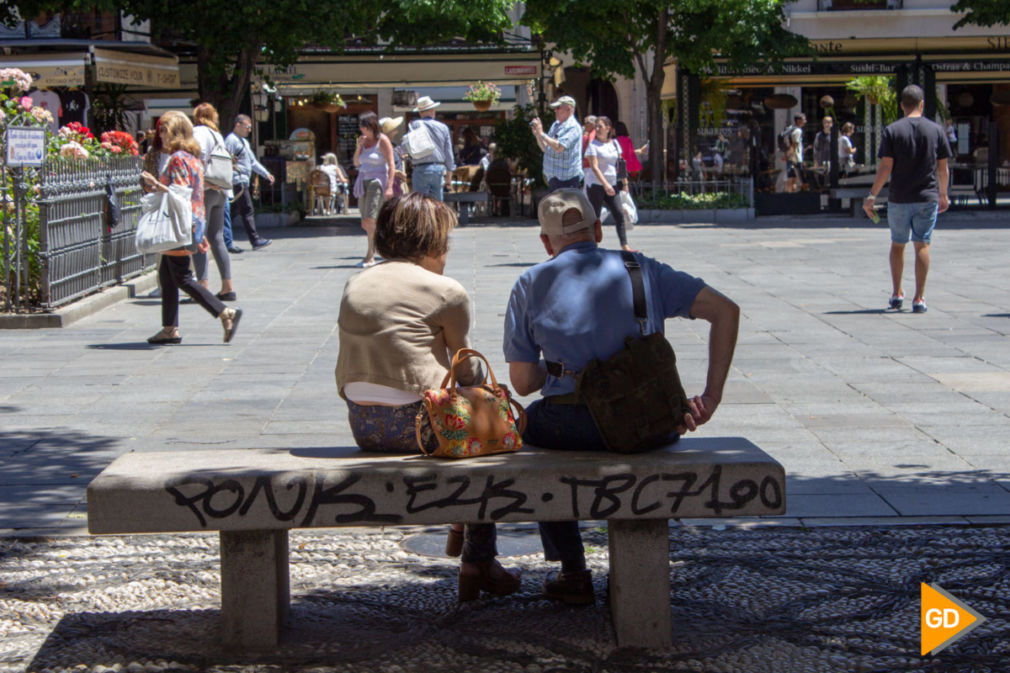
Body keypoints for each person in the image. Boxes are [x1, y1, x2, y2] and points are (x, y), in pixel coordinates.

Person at [502, 189, 739, 605]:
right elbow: (726, 311)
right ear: (598, 229)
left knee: (525, 427)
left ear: (545, 241)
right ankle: (636, 572)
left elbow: (522, 383)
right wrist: (711, 396)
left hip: (569, 428)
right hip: (651, 425)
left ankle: (573, 568)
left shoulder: (530, 282)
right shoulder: (640, 268)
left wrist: (556, 369)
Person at [335, 193, 520, 602]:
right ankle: (478, 561)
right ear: (433, 242)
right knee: (488, 431)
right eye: (447, 240)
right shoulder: (445, 291)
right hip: (420, 429)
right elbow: (467, 370)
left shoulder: (355, 282)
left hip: (363, 425)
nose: (449, 250)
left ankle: (462, 527)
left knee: (465, 420)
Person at [140, 111, 242, 346]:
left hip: (177, 224)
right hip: (190, 222)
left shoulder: (178, 159)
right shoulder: (193, 158)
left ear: (175, 132)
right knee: (167, 276)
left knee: (182, 277)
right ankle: (169, 328)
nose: (161, 136)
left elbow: (181, 193)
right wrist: (199, 229)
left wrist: (156, 185)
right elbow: (197, 196)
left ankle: (225, 312)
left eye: (164, 130)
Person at [863, 84, 950, 314]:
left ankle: (896, 293)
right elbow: (943, 168)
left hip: (899, 197)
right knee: (922, 244)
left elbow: (885, 167)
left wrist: (872, 195)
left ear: (902, 105)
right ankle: (919, 298)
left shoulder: (892, 130)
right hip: (927, 195)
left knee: (898, 244)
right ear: (922, 104)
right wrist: (943, 193)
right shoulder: (936, 130)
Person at [191, 103, 237, 302]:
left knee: (199, 237)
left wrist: (200, 182)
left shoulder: (198, 132)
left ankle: (202, 287)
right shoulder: (217, 134)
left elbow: (199, 156)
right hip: (221, 191)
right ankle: (228, 286)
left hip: (207, 189)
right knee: (217, 237)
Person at [352, 111, 396, 268]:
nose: (362, 130)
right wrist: (358, 147)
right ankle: (385, 246)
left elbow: (391, 164)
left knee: (370, 219)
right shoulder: (363, 142)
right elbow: (357, 162)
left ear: (371, 126)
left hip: (377, 181)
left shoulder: (382, 140)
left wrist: (389, 186)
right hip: (362, 181)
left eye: (364, 127)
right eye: (361, 127)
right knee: (366, 221)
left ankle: (370, 255)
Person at [225, 114, 273, 250]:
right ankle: (255, 239)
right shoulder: (231, 140)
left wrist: (266, 174)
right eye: (247, 127)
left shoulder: (244, 142)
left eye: (250, 127)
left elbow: (252, 162)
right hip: (237, 180)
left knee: (233, 211)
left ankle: (226, 240)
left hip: (243, 180)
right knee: (247, 210)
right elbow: (226, 160)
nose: (249, 130)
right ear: (238, 125)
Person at [584, 116, 631, 251]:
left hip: (612, 184)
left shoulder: (615, 144)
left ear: (608, 128)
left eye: (600, 126)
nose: (597, 129)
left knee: (619, 213)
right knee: (595, 217)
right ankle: (592, 245)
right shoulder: (593, 145)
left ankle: (624, 245)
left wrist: (625, 183)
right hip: (597, 185)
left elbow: (621, 165)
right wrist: (605, 185)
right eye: (596, 127)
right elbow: (594, 167)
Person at [530, 95, 583, 192]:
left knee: (566, 207)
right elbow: (546, 148)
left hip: (567, 180)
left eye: (558, 108)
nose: (555, 110)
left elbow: (559, 147)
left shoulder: (573, 127)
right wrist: (538, 135)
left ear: (569, 109)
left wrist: (542, 133)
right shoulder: (556, 125)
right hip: (554, 179)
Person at [408, 96, 455, 201]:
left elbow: (407, 146)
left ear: (420, 113)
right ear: (433, 111)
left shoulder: (415, 125)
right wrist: (449, 177)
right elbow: (449, 154)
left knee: (420, 204)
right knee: (437, 204)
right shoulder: (443, 127)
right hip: (438, 169)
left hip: (420, 169)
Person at [379, 116, 409, 197]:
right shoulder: (381, 146)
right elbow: (379, 166)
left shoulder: (394, 145)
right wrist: (396, 172)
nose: (396, 131)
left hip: (398, 184)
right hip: (389, 184)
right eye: (393, 129)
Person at [784, 113, 806, 193]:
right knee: (794, 178)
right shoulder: (798, 131)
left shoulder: (790, 128)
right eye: (804, 120)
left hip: (791, 158)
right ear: (799, 121)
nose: (805, 121)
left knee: (792, 177)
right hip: (796, 158)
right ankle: (791, 195)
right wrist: (788, 155)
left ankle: (790, 194)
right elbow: (794, 145)